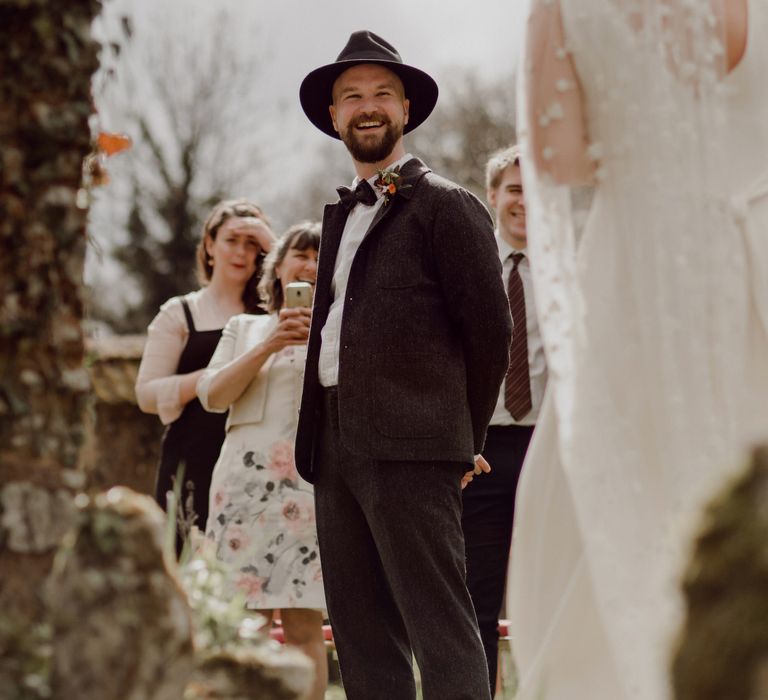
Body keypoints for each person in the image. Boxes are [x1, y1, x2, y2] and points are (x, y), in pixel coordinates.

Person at [508, 1, 768, 699]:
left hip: (645, 269)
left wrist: (646, 133)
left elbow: (557, 157)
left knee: (622, 494)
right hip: (757, 250)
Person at [295, 30, 512, 700]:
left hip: (417, 448)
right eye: (351, 96)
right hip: (331, 447)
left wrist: (462, 441)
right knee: (361, 637)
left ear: (407, 110)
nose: (367, 106)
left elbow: (491, 333)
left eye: (382, 94)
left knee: (440, 628)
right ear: (333, 116)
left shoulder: (448, 206)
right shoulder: (336, 215)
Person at [196, 222, 328, 700]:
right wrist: (271, 342)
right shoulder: (244, 327)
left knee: (302, 622)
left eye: (320, 256)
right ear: (279, 268)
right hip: (243, 488)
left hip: (310, 488)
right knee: (242, 621)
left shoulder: (340, 332)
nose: (310, 265)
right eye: (300, 254)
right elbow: (212, 394)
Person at [135, 199, 275, 548]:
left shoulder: (275, 317)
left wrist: (273, 243)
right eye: (231, 240)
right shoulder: (180, 313)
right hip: (191, 462)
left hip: (256, 462)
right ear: (209, 245)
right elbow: (146, 394)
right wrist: (212, 379)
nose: (241, 252)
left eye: (251, 244)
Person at [461, 144, 546, 697]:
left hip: (550, 447)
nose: (523, 200)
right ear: (493, 195)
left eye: (534, 188)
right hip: (479, 451)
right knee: (477, 599)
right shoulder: (462, 267)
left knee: (548, 589)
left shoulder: (572, 268)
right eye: (514, 188)